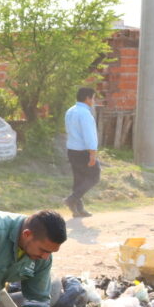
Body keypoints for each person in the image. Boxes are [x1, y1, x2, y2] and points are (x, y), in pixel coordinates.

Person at [64, 87, 100, 218]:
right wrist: (93, 154)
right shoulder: (85, 113)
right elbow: (89, 135)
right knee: (95, 176)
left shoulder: (70, 111)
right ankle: (71, 200)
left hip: (72, 150)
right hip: (83, 151)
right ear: (87, 99)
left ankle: (78, 209)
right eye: (93, 98)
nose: (93, 101)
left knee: (78, 180)